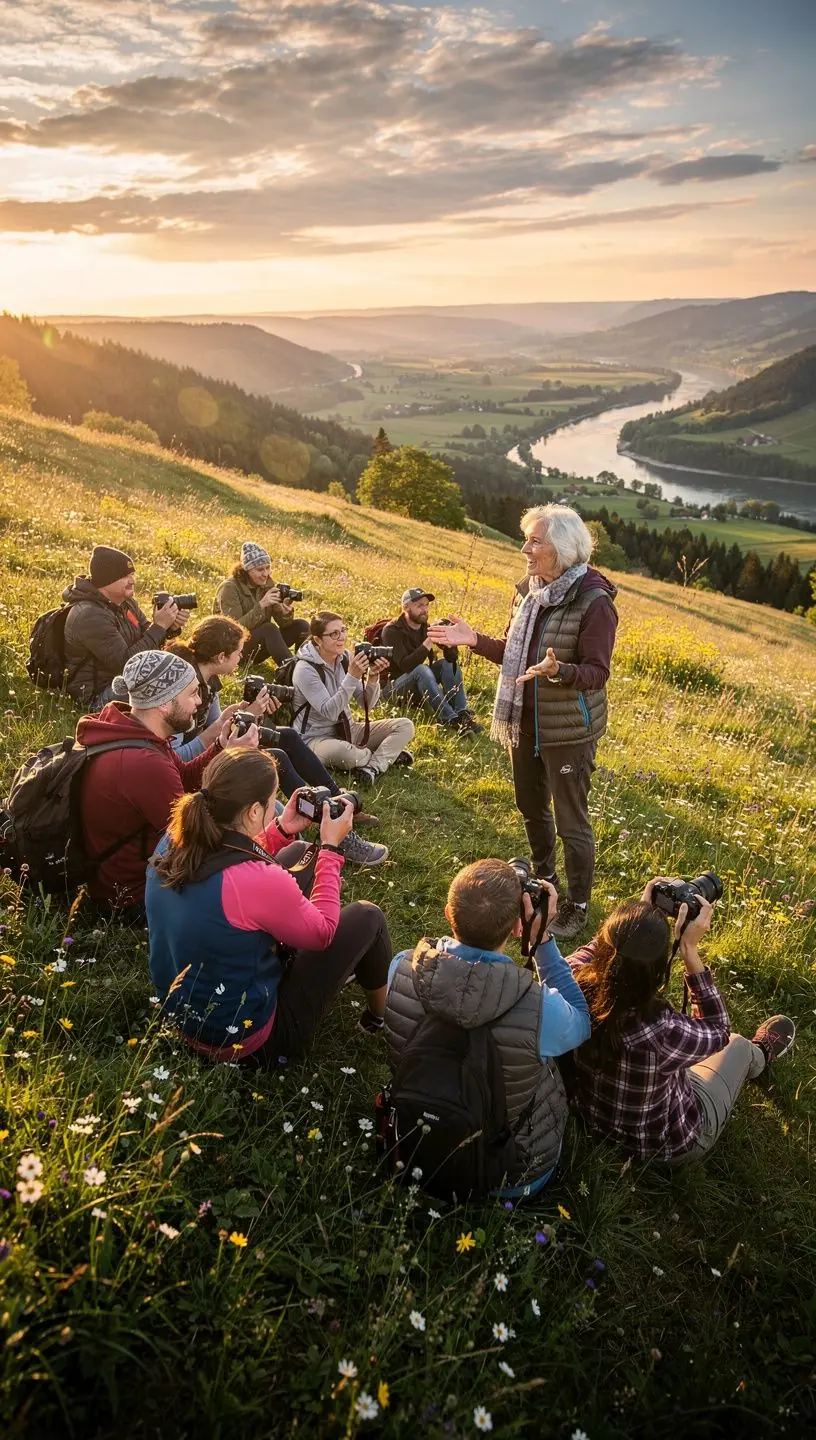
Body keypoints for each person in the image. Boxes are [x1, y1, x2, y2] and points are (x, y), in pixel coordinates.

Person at [428, 505, 618, 940]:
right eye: (526, 539)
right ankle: (545, 879)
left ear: (562, 549)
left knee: (571, 821)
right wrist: (474, 640)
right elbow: (513, 653)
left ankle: (578, 905)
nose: (525, 549)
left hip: (568, 729)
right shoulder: (528, 592)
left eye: (535, 541)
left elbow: (597, 672)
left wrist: (559, 671)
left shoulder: (595, 602)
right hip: (523, 722)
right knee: (530, 806)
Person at [146, 747, 392, 1064]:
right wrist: (331, 850)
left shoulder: (175, 837)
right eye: (273, 797)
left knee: (298, 851)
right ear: (252, 811)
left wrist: (280, 829)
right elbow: (323, 933)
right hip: (246, 1041)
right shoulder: (254, 881)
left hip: (180, 1014)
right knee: (367, 916)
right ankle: (378, 1018)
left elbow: (224, 859)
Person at [385, 858, 590, 1196]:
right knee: (544, 1057)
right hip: (510, 1175)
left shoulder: (401, 968)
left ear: (448, 914)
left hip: (413, 1145)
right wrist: (543, 940)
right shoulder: (543, 1009)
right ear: (517, 927)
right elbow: (582, 1021)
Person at [566, 879, 796, 1163]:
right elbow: (719, 1030)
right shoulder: (662, 1030)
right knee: (736, 1044)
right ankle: (758, 1054)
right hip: (662, 1145)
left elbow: (587, 955)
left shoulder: (571, 985)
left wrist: (633, 923)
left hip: (591, 1120)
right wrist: (689, 950)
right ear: (658, 972)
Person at [165, 617, 388, 867]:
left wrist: (245, 714)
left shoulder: (208, 683)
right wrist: (228, 727)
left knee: (288, 737)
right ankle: (332, 822)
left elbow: (217, 728)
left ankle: (338, 804)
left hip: (214, 755)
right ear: (221, 657)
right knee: (276, 757)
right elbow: (176, 759)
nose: (242, 657)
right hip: (198, 772)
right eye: (239, 652)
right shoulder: (184, 691)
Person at [75, 649, 257, 916]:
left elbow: (184, 777)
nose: (199, 702)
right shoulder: (144, 763)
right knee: (255, 821)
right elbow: (196, 835)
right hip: (133, 895)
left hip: (129, 873)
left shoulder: (135, 731)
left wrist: (221, 746)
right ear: (164, 704)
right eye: (192, 693)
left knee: (264, 813)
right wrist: (233, 764)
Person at [292, 612, 414, 786]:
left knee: (405, 726)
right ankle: (386, 756)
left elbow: (366, 705)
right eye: (334, 634)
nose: (341, 637)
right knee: (349, 755)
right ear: (318, 640)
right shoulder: (305, 669)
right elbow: (330, 712)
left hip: (348, 730)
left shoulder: (344, 658)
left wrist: (372, 677)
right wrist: (352, 676)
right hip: (316, 738)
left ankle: (372, 767)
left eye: (343, 630)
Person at [63, 545, 188, 708]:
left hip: (127, 681)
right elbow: (126, 665)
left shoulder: (125, 602)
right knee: (172, 686)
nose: (132, 581)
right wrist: (160, 626)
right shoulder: (89, 615)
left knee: (191, 668)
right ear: (107, 579)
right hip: (99, 694)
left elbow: (147, 637)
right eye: (125, 576)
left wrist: (169, 627)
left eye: (132, 574)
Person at [380, 587, 481, 736]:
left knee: (446, 664)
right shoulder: (392, 630)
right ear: (406, 607)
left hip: (416, 686)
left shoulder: (425, 628)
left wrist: (450, 645)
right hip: (393, 689)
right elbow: (406, 666)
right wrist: (428, 642)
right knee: (421, 669)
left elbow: (452, 660)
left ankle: (462, 714)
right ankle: (451, 719)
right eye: (419, 605)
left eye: (426, 605)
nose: (425, 610)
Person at [214, 541, 309, 666]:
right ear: (247, 570)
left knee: (301, 625)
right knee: (269, 628)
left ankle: (306, 668)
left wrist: (285, 612)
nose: (265, 574)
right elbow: (233, 629)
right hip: (233, 651)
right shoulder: (229, 588)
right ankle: (291, 671)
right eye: (260, 569)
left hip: (258, 646)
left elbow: (284, 624)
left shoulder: (267, 584)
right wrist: (261, 605)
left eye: (268, 568)